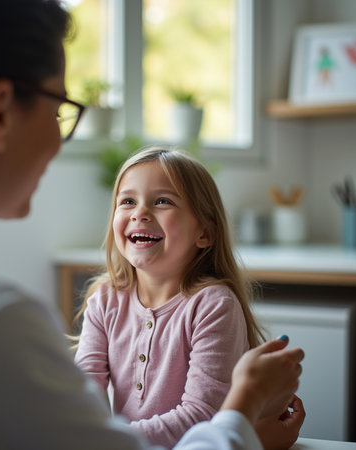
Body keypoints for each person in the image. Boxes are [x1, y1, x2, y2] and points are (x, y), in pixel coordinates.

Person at [0, 0, 304, 448]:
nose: (60, 141)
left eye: (162, 201)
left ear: (205, 231)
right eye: (61, 109)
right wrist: (243, 413)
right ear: (1, 111)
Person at [74, 147, 305, 449]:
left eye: (162, 202)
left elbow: (201, 417)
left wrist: (107, 439)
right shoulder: (104, 300)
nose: (140, 213)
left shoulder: (213, 305)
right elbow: (80, 397)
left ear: (205, 234)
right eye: (127, 201)